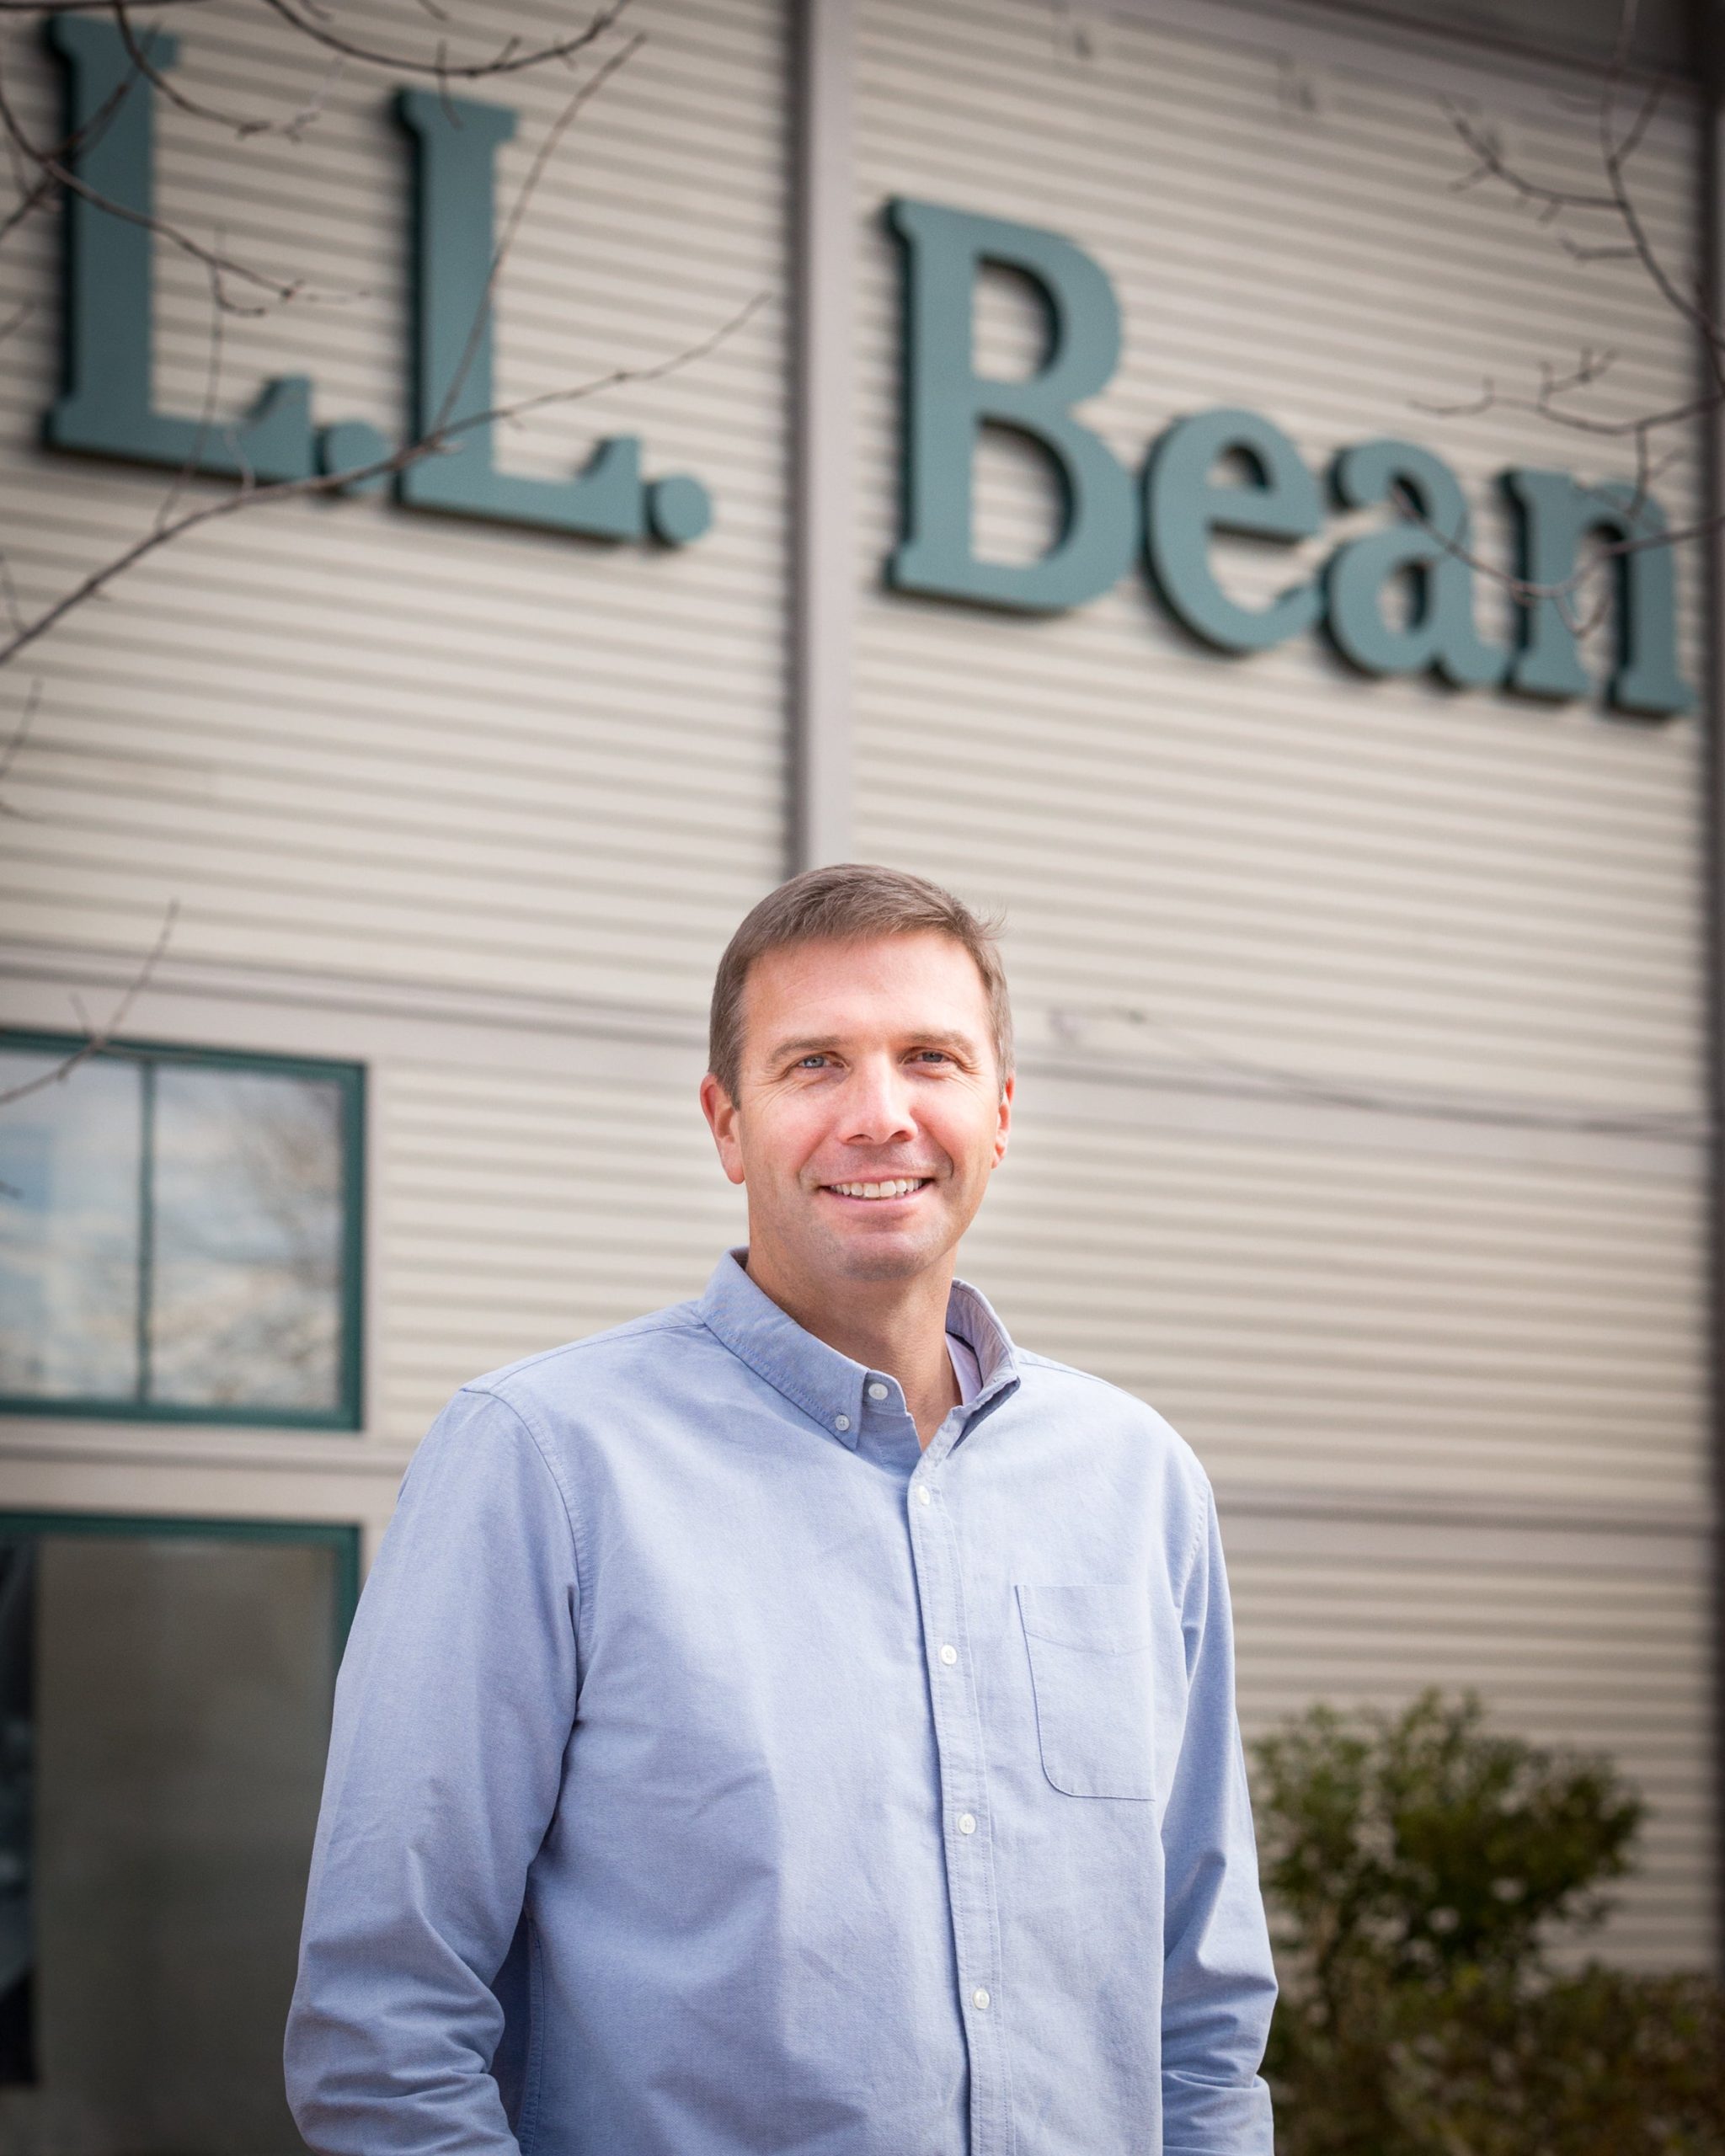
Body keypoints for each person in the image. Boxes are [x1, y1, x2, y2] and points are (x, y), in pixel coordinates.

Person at [283, 862, 1277, 2156]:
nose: (883, 1115)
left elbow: (1199, 2014)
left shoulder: (1139, 1483)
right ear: (726, 1123)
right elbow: (386, 2025)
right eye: (815, 1065)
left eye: (931, 1058)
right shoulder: (541, 1463)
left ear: (1001, 1110)